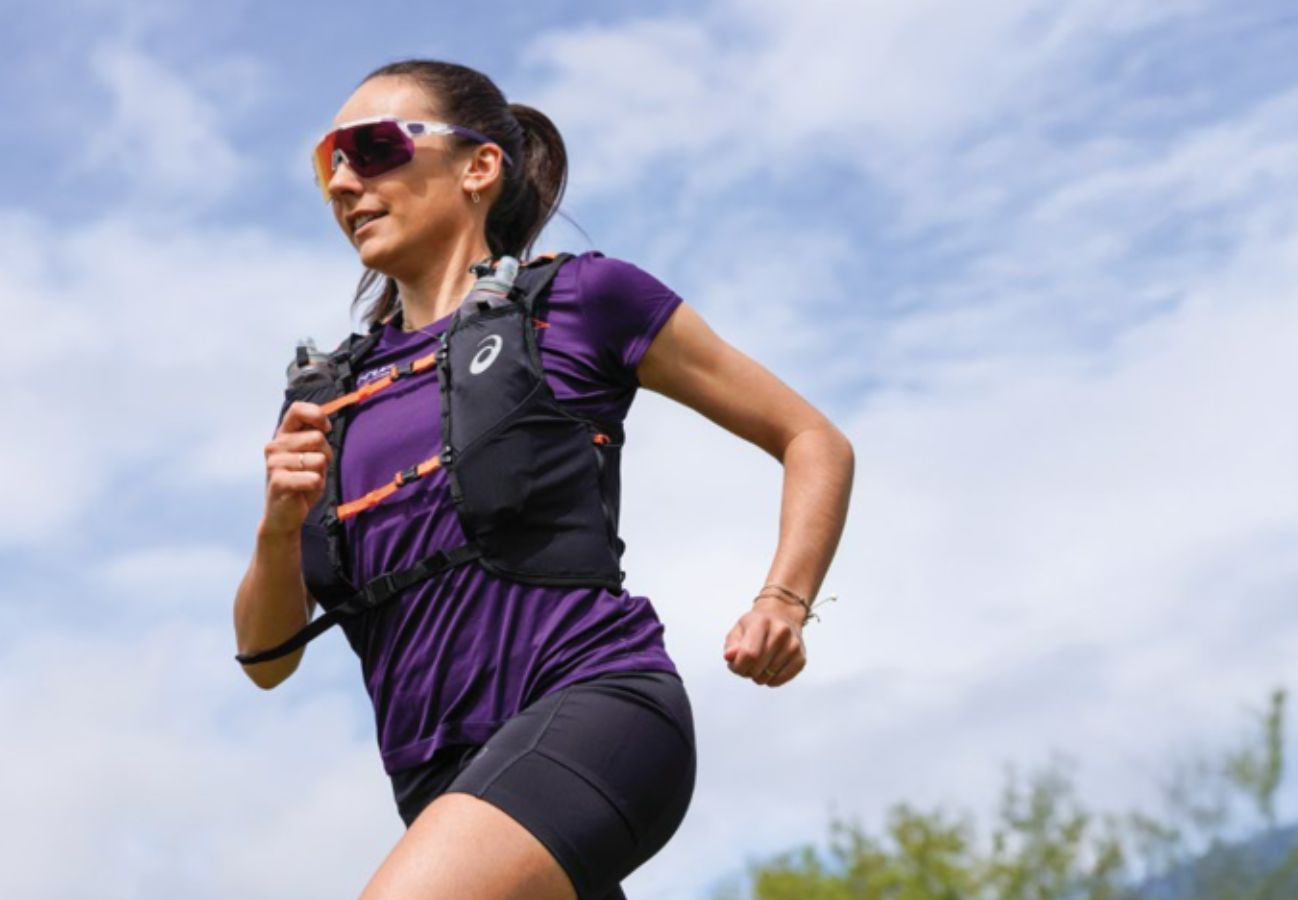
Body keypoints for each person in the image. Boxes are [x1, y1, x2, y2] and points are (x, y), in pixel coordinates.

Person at [230, 58, 854, 900]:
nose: (343, 181)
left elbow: (811, 437)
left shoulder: (585, 299)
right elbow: (266, 658)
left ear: (478, 167)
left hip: (594, 710)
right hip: (437, 783)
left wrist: (782, 600)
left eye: (371, 148)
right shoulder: (323, 398)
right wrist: (277, 526)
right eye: (327, 163)